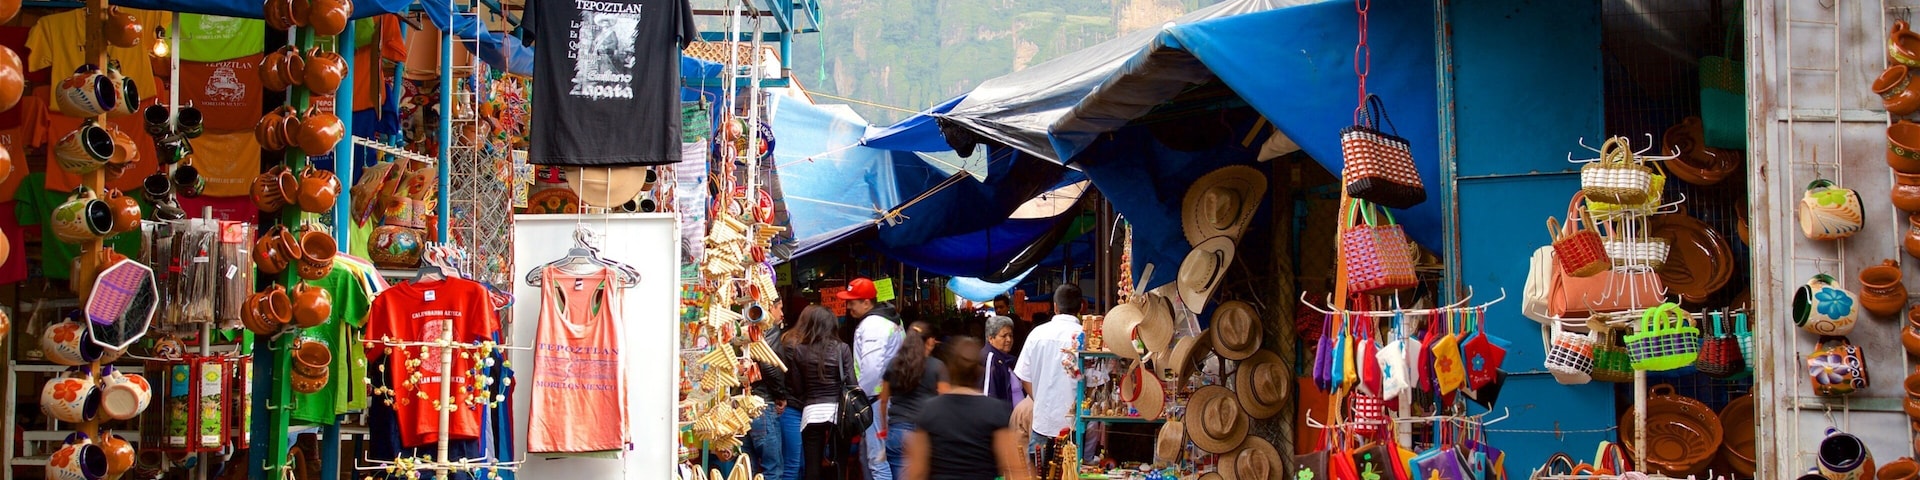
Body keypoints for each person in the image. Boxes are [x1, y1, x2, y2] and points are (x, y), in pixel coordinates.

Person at [906, 337, 1032, 480]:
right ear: (979, 372)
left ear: (949, 370)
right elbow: (1014, 468)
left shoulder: (929, 410)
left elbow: (916, 471)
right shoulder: (995, 411)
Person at [779, 306, 859, 480]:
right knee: (840, 463)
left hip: (811, 412)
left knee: (812, 467)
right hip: (839, 414)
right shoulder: (842, 348)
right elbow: (852, 383)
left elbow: (798, 387)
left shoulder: (800, 350)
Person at [1012, 284, 1084, 471]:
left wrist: (1040, 397)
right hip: (1076, 425)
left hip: (1043, 421)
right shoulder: (1085, 336)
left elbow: (1023, 376)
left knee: (1038, 473)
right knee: (1071, 473)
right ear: (1082, 307)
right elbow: (1095, 383)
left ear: (1055, 307)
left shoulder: (1037, 334)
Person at [839, 278, 902, 480]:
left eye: (853, 301)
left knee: (878, 460)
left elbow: (872, 367)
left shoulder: (872, 325)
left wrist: (860, 399)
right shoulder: (892, 320)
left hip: (876, 399)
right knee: (882, 456)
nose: (848, 306)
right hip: (892, 396)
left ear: (867, 302)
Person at [884, 322, 949, 479]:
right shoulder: (937, 367)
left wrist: (884, 431)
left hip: (897, 433)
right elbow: (946, 402)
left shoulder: (894, 365)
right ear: (928, 341)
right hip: (925, 433)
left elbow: (883, 400)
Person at [748, 304, 788, 478]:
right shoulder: (768, 330)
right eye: (779, 307)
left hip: (742, 405)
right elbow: (769, 366)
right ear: (769, 308)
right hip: (763, 405)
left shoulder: (746, 328)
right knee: (772, 469)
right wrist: (780, 395)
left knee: (747, 469)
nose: (782, 313)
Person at [980, 315, 1024, 406]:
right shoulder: (990, 359)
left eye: (1011, 336)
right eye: (1004, 336)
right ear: (991, 338)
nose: (1009, 340)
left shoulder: (1007, 360)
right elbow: (988, 395)